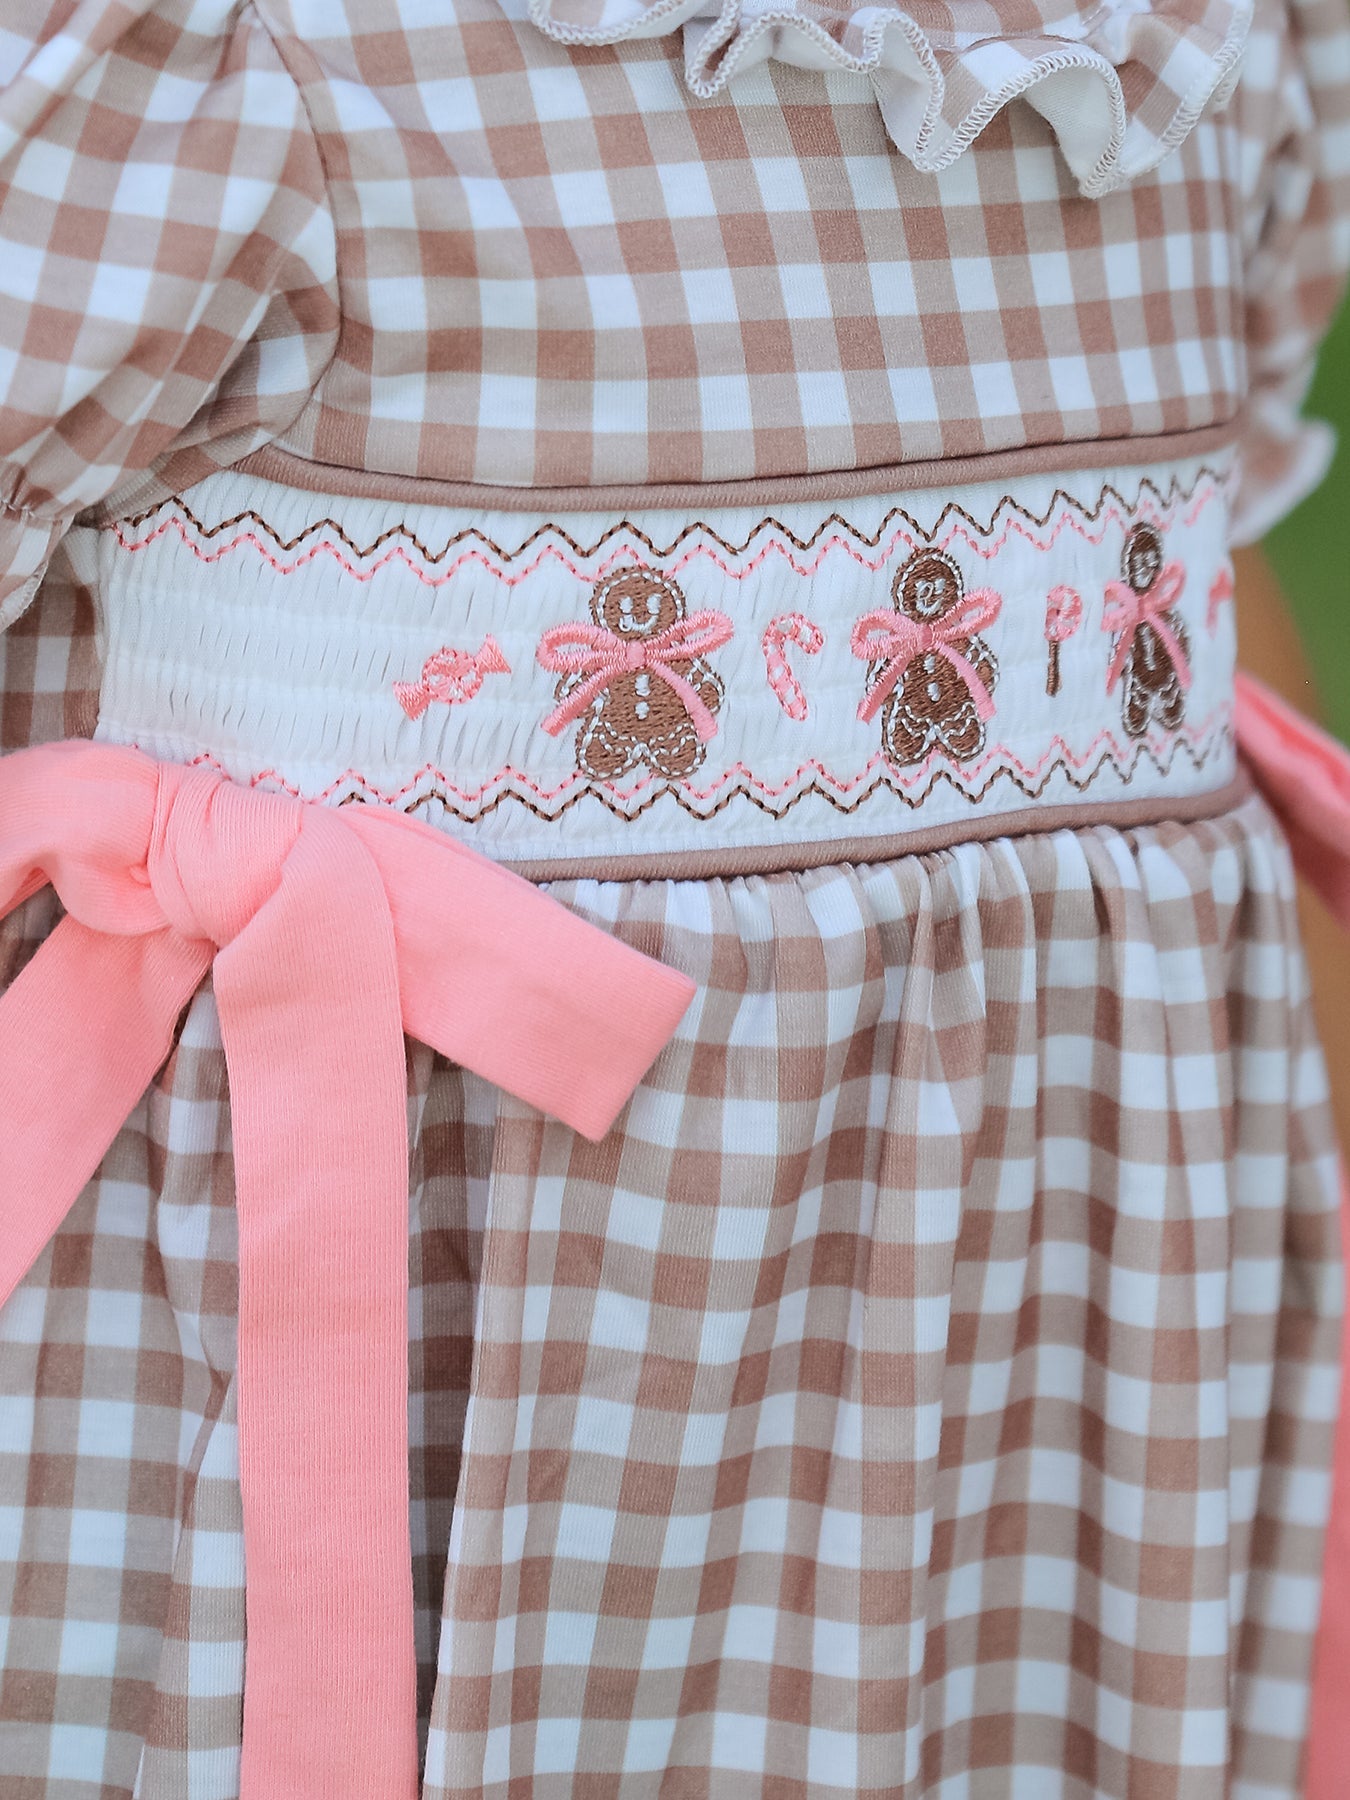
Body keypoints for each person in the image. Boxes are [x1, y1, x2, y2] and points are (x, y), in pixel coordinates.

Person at [0, 0, 1347, 1795]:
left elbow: (1202, 631)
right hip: (392, 1406)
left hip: (1055, 1415)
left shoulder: (1191, 49)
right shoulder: (223, 64)